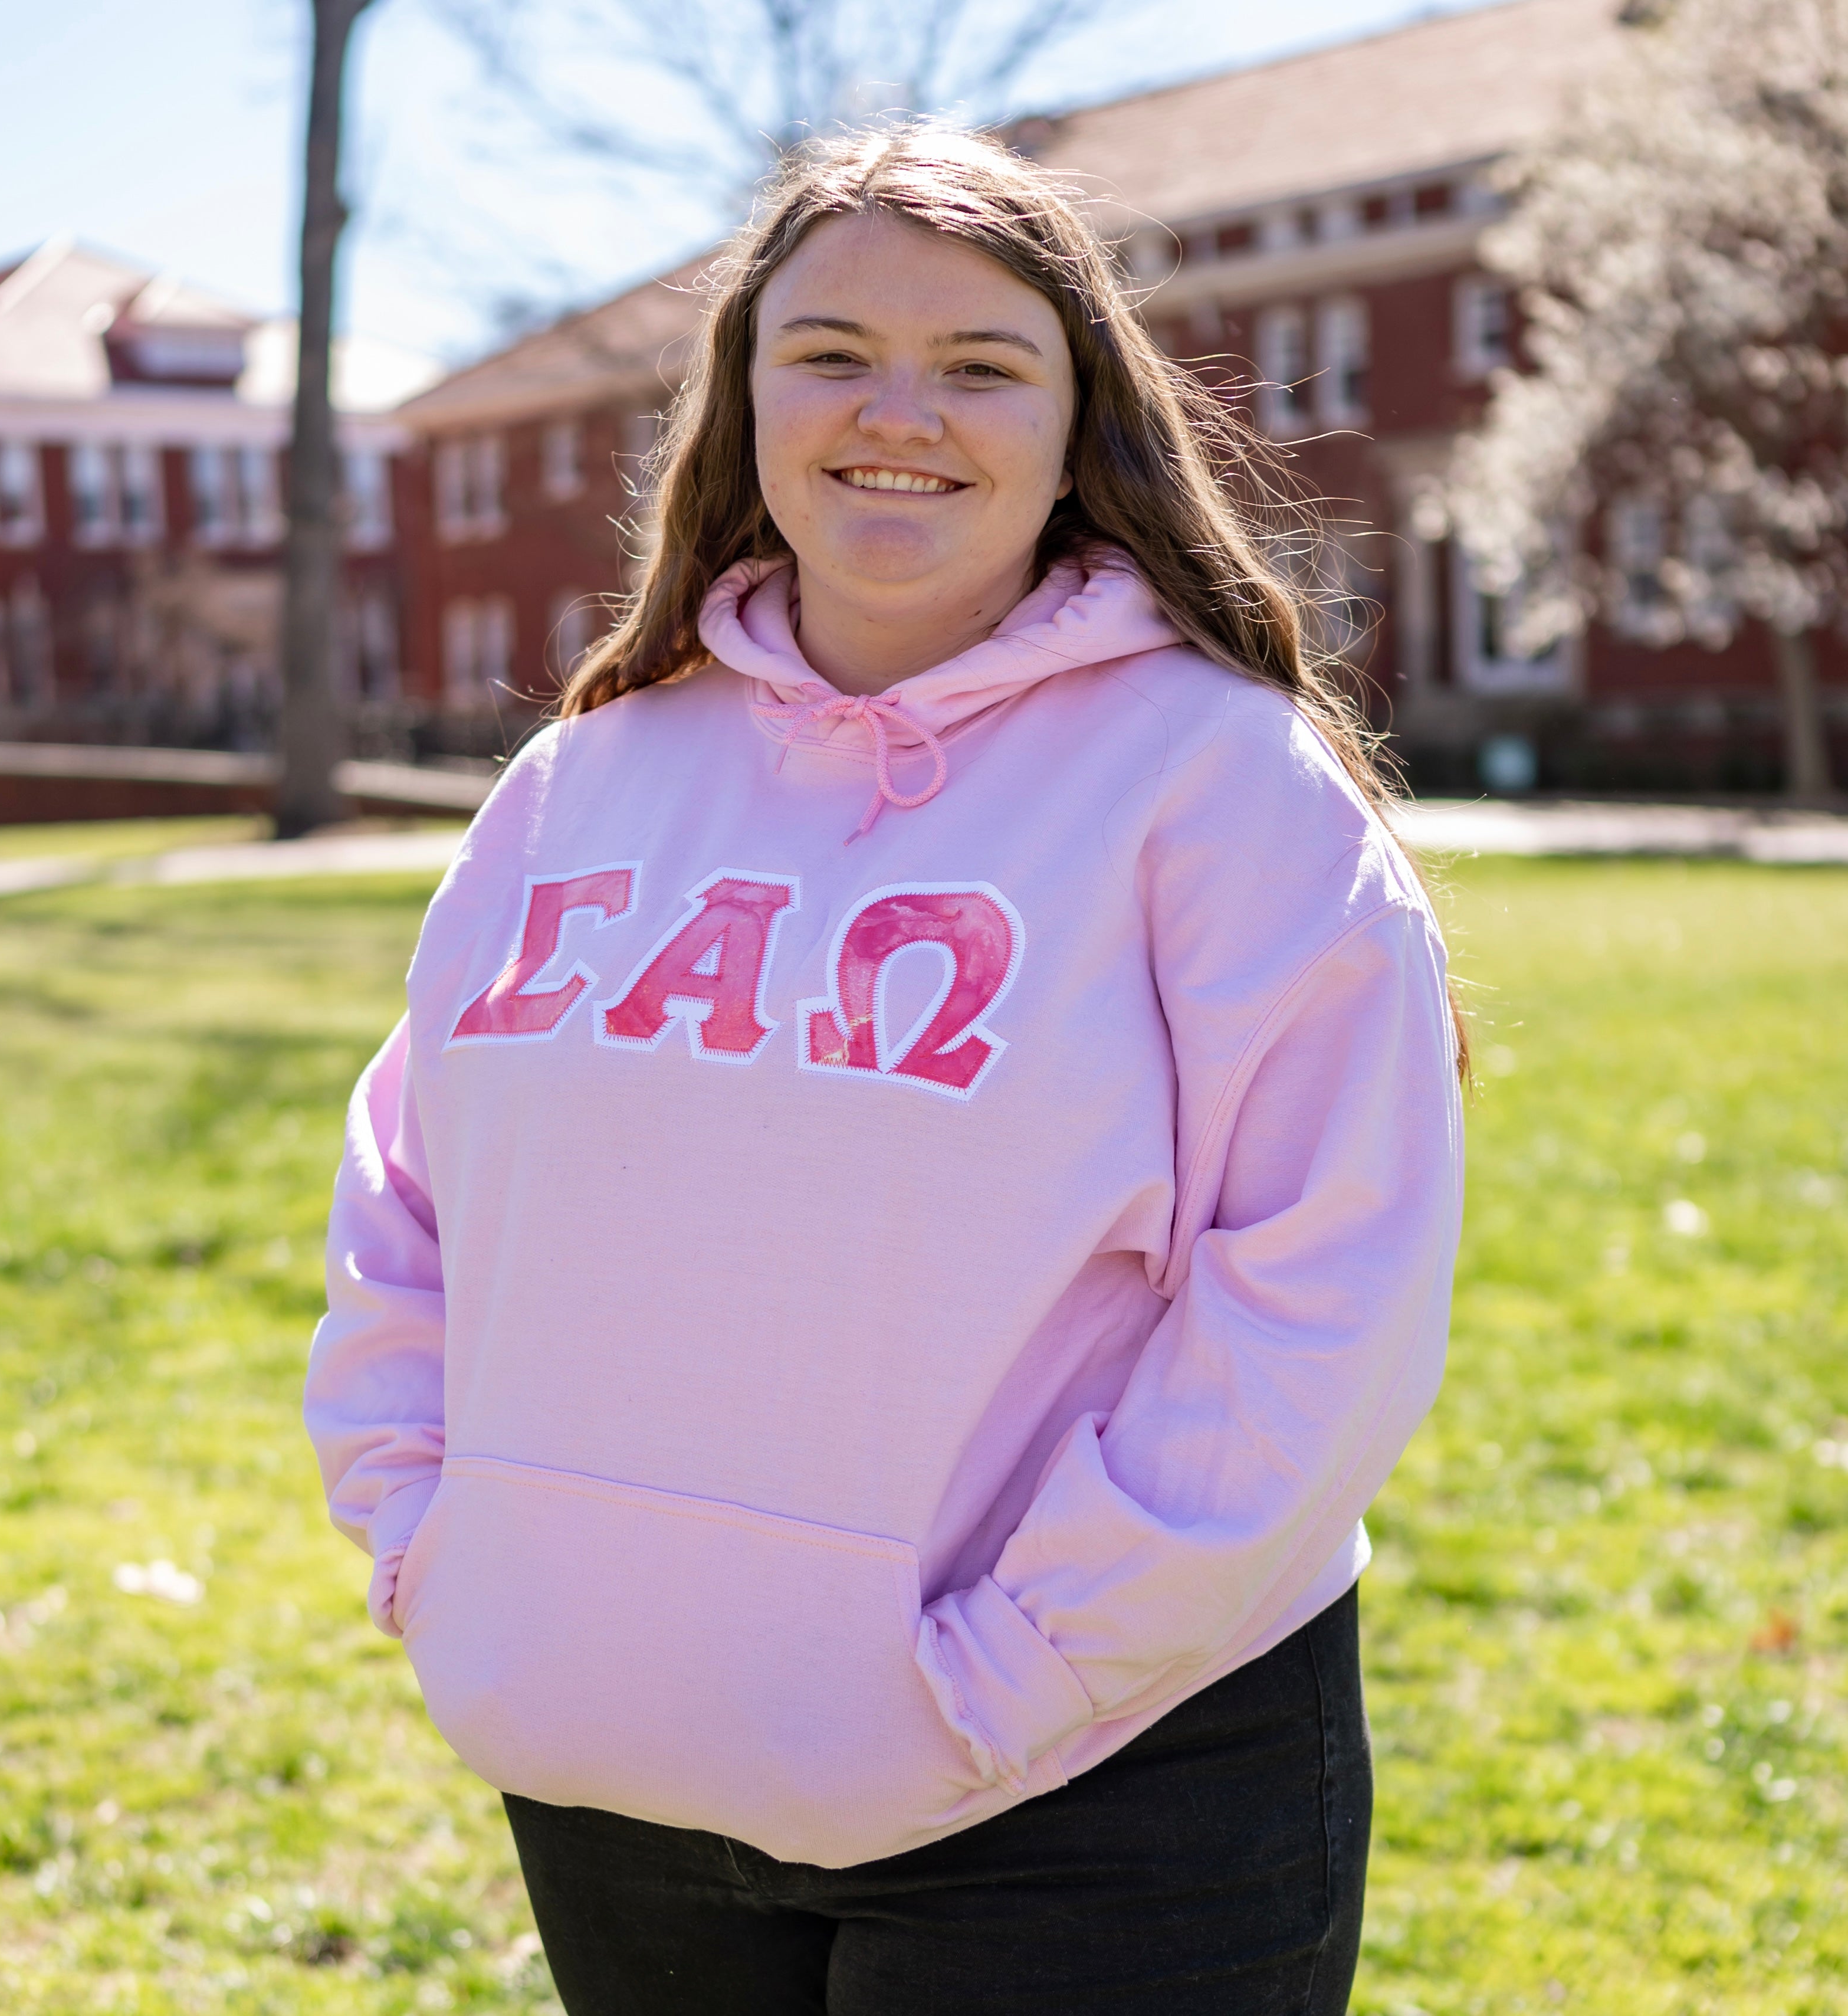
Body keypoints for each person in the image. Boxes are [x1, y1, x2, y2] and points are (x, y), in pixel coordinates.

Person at [305, 124, 1465, 2015]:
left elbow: (1319, 1290)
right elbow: (406, 1190)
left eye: (980, 362)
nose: (894, 411)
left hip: (1090, 1783)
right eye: (830, 350)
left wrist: (1003, 1675)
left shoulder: (1222, 783)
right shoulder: (584, 779)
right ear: (743, 398)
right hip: (613, 1761)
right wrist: (445, 1543)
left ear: (1076, 414)